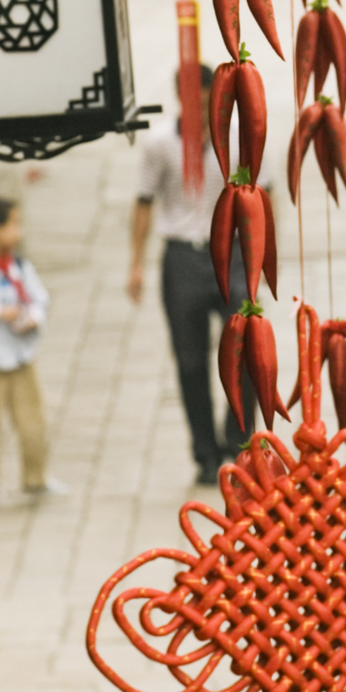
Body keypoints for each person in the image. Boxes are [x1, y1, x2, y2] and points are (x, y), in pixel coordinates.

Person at [129, 78, 244, 487]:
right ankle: (205, 453)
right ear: (181, 96)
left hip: (231, 252)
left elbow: (263, 196)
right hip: (181, 254)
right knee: (191, 361)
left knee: (247, 345)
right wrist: (136, 264)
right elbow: (143, 200)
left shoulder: (239, 135)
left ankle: (239, 439)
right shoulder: (160, 143)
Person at [0, 198, 60, 507]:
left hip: (20, 356)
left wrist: (33, 317)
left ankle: (36, 477)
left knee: (33, 422)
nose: (18, 232)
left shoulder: (19, 266)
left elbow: (39, 299)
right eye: (13, 225)